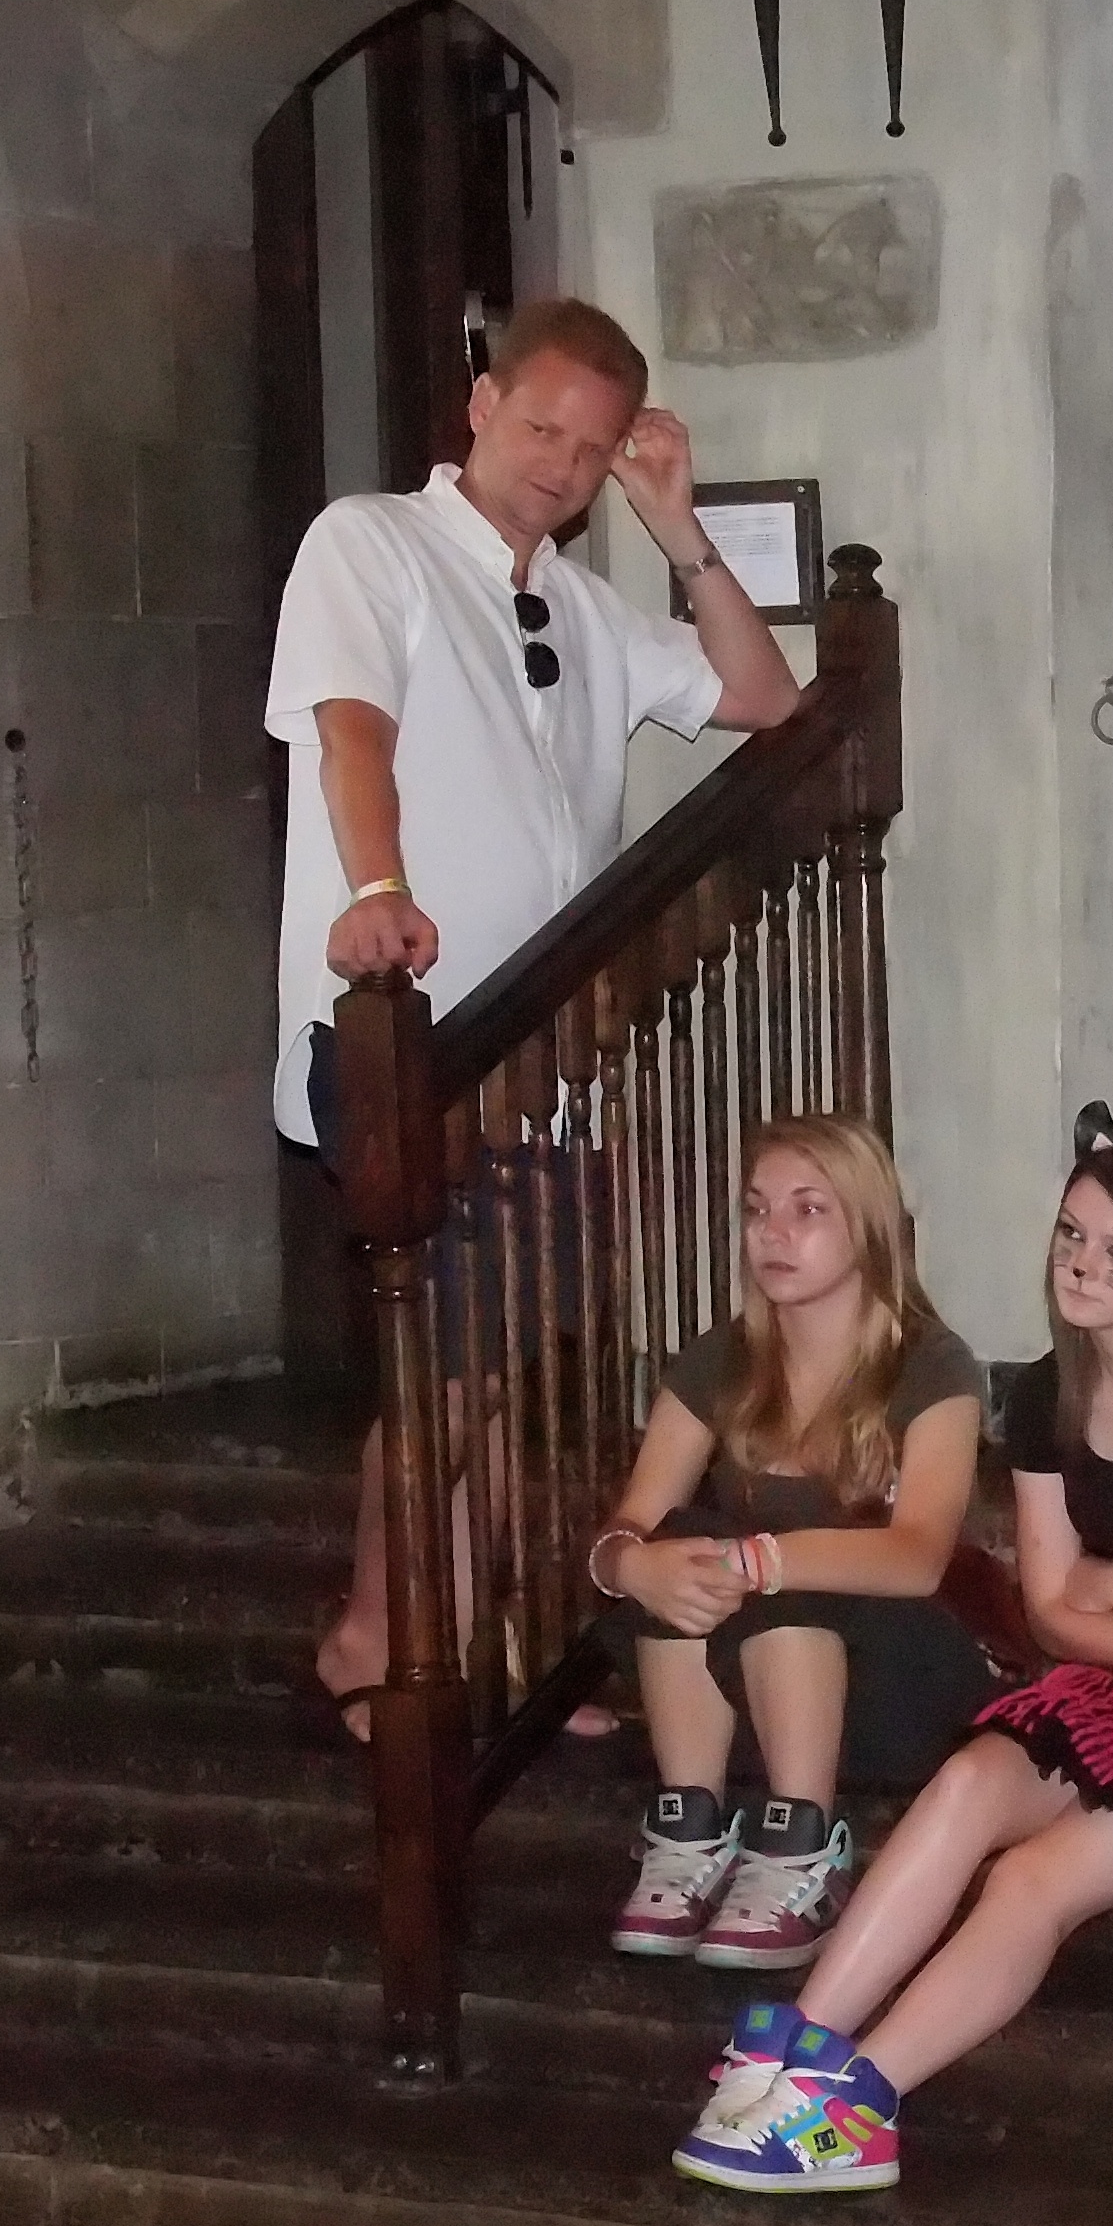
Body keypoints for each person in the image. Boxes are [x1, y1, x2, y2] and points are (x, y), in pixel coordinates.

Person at [275, 298, 805, 1736]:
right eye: (538, 428)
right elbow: (349, 730)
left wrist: (678, 530)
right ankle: (374, 1641)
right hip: (410, 1041)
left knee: (503, 1369)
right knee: (444, 1369)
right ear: (479, 406)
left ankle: (468, 1645)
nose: (559, 466)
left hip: (551, 1059)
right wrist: (376, 889)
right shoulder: (370, 545)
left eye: (591, 448)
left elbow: (766, 697)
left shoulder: (580, 604)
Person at [668, 1108, 1113, 2194]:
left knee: (1026, 1880)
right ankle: (799, 2043)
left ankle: (859, 2108)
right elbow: (1052, 1613)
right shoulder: (1046, 1392)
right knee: (968, 1782)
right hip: (1112, 1685)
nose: (1083, 1265)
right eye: (1071, 1236)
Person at [587, 1117, 994, 1974]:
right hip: (746, 1694)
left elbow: (920, 1553)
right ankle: (690, 1830)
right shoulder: (723, 1359)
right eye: (757, 1209)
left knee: (779, 1565)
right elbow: (631, 1525)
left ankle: (805, 1846)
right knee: (684, 1545)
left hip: (892, 1684)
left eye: (808, 1210)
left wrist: (761, 1560)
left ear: (868, 1227)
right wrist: (633, 1564)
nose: (773, 1233)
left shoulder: (932, 1363)